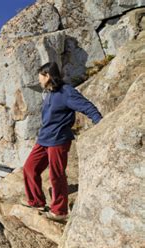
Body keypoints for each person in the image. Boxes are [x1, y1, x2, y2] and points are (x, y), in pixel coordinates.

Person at [21, 61, 103, 223]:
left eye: (40, 76)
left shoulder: (67, 92)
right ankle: (36, 202)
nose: (38, 80)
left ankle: (60, 211)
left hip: (59, 140)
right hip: (44, 139)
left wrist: (100, 122)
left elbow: (87, 106)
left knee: (56, 176)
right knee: (29, 168)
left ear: (48, 75)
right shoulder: (49, 93)